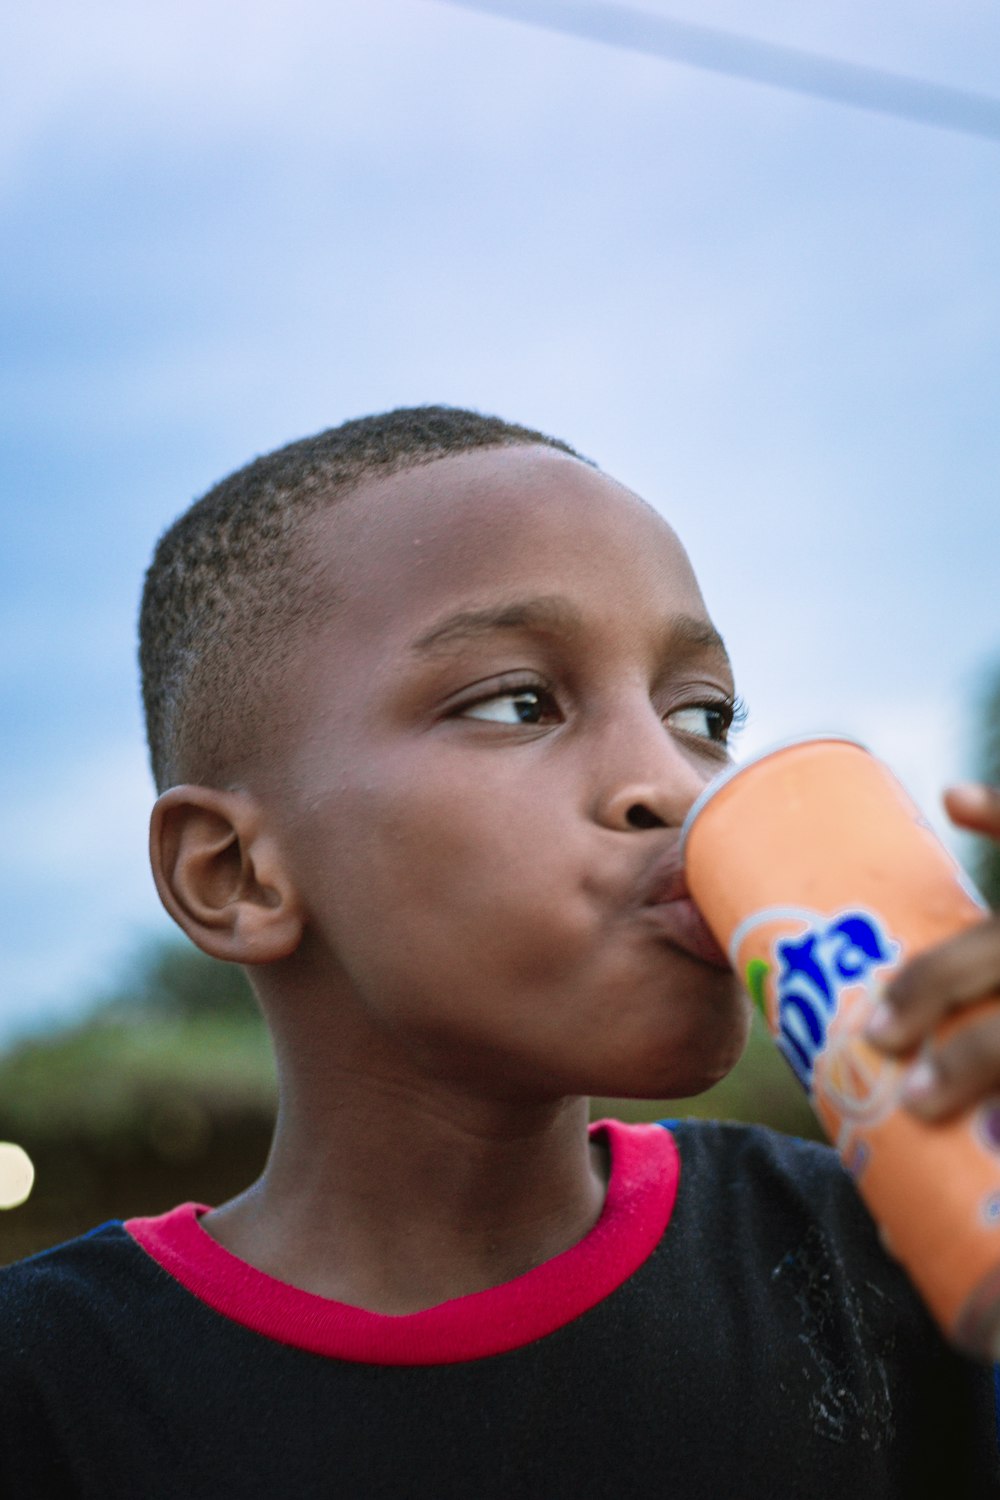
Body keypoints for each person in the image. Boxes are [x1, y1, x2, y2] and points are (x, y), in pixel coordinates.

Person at [2, 406, 1000, 1497]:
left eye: (704, 716)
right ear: (233, 874)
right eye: (520, 704)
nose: (672, 783)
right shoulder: (50, 1387)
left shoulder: (897, 1254)